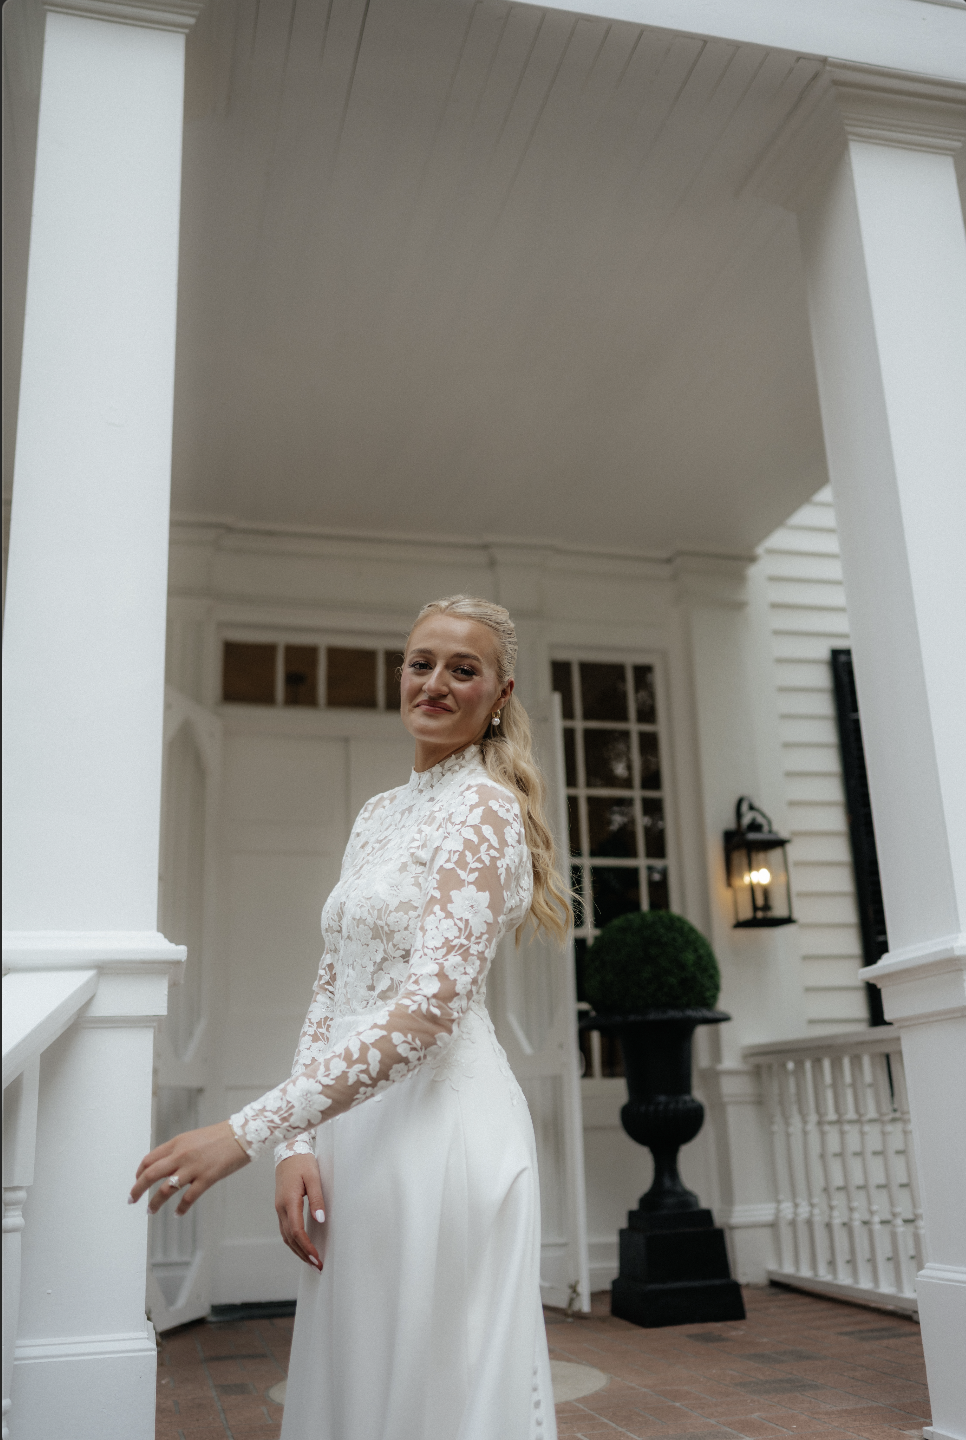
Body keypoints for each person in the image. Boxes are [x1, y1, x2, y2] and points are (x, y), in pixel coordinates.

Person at [130, 594, 571, 1440]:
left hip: (442, 1135)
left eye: (462, 669)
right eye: (420, 663)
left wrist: (248, 1129)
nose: (435, 683)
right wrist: (298, 1144)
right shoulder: (377, 815)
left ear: (500, 693)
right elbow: (330, 990)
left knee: (434, 1385)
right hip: (351, 1134)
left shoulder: (482, 809)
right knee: (359, 1384)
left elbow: (431, 1009)